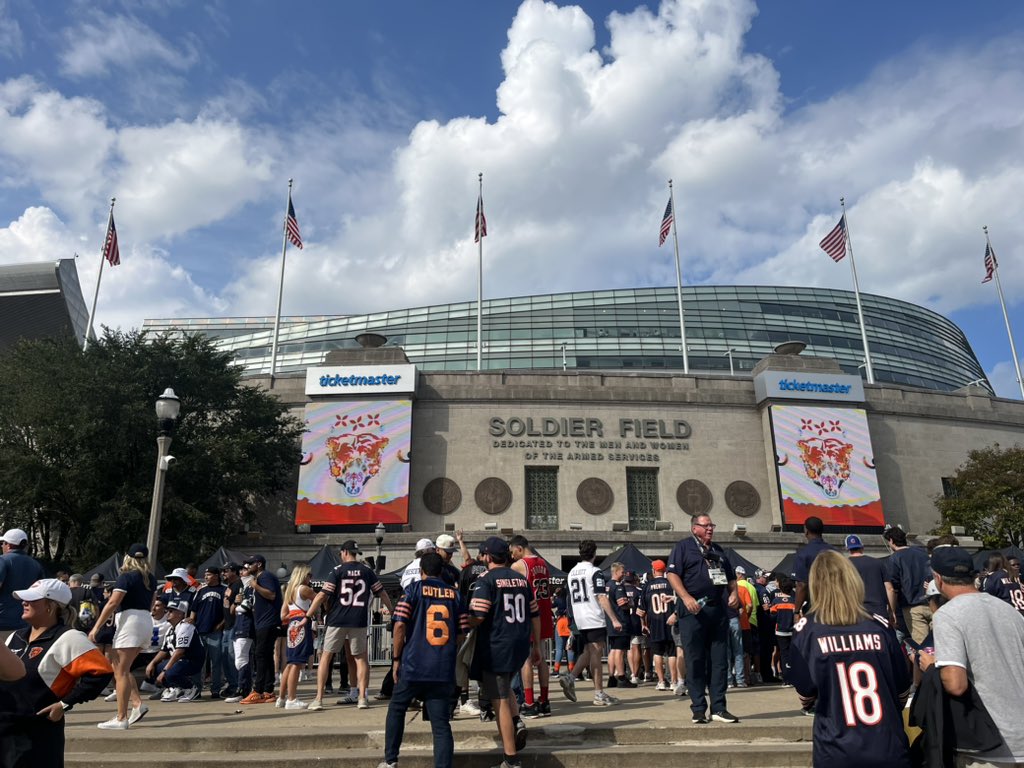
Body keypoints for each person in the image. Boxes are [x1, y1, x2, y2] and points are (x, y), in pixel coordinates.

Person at [787, 551, 912, 768]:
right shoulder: (879, 626)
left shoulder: (806, 630)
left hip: (836, 748)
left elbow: (805, 695)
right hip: (887, 745)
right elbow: (902, 691)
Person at [918, 546, 1024, 766]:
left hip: (990, 742)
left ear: (937, 578)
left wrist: (931, 667)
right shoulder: (1009, 610)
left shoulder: (948, 615)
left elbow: (956, 684)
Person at [0, 578, 113, 767]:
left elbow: (101, 672)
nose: (24, 602)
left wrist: (64, 704)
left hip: (36, 734)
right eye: (24, 598)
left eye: (32, 599)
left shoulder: (69, 637)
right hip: (6, 728)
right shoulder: (16, 636)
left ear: (50, 606)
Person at [378, 552, 467, 768]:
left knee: (397, 708)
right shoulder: (455, 595)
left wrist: (396, 659)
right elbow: (463, 631)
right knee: (441, 724)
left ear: (421, 571)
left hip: (414, 663)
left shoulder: (413, 590)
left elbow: (399, 624)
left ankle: (390, 760)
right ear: (442, 570)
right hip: (442, 667)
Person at [468, 537, 540, 768]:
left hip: (497, 644)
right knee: (506, 686)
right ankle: (517, 721)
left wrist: (461, 623)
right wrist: (537, 645)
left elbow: (478, 615)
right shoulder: (522, 579)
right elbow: (535, 614)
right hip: (520, 642)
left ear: (488, 557)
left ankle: (511, 759)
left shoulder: (486, 580)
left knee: (498, 701)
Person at [666, 514, 740, 724]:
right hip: (693, 611)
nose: (710, 529)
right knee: (695, 659)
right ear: (694, 528)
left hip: (717, 611)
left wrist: (733, 593)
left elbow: (731, 578)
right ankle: (698, 708)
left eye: (711, 525)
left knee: (719, 661)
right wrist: (686, 597)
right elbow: (672, 575)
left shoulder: (718, 550)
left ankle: (719, 708)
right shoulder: (683, 547)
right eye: (705, 525)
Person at [305, 540, 392, 710]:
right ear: (355, 553)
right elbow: (381, 592)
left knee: (326, 657)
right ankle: (361, 698)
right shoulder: (367, 571)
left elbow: (323, 595)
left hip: (337, 619)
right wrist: (392, 610)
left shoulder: (337, 571)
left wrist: (308, 615)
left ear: (344, 552)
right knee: (360, 658)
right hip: (358, 620)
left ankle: (318, 698)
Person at [89, 543, 157, 729]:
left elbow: (112, 602)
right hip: (145, 620)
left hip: (130, 620)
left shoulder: (125, 577)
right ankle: (137, 703)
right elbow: (152, 604)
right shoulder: (150, 578)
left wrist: (96, 627)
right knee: (121, 667)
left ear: (127, 557)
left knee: (120, 671)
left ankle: (121, 718)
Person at [560, 539, 621, 707]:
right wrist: (614, 619)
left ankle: (570, 677)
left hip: (580, 616)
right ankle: (598, 693)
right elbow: (601, 596)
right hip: (593, 615)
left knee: (588, 650)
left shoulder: (572, 572)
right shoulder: (595, 572)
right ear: (595, 553)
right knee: (596, 653)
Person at [509, 534, 555, 716]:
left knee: (526, 660)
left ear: (519, 548)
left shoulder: (519, 566)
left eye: (512, 551)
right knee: (542, 658)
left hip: (529, 614)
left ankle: (529, 702)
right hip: (544, 612)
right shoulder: (543, 563)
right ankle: (544, 701)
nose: (512, 556)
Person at [146, 599, 206, 703]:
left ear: (180, 614)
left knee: (169, 672)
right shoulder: (170, 629)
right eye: (167, 611)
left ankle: (191, 689)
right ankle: (175, 688)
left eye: (171, 611)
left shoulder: (186, 626)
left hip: (192, 661)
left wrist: (164, 671)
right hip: (180, 661)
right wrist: (152, 663)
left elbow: (179, 652)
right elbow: (164, 650)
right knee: (156, 668)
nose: (167, 613)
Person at [239, 554, 281, 704]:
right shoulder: (260, 577)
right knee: (265, 655)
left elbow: (271, 595)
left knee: (260, 655)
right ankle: (268, 691)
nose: (248, 567)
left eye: (250, 564)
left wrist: (255, 585)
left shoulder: (265, 576)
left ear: (259, 564)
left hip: (268, 623)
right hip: (263, 623)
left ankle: (258, 690)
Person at [883, 527, 931, 646]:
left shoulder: (893, 559)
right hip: (932, 602)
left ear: (891, 541)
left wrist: (892, 611)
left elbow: (893, 588)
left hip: (912, 607)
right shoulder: (922, 553)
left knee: (922, 647)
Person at [0, 528, 46, 642]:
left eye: (2, 543)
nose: (1, 546)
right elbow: (42, 593)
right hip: (25, 624)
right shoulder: (36, 565)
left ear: (8, 545)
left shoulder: (2, 560)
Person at [188, 566, 228, 699]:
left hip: (215, 631)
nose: (206, 577)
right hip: (200, 631)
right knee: (198, 661)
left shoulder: (223, 590)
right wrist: (192, 620)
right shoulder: (201, 590)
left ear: (216, 576)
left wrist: (221, 624)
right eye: (205, 575)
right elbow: (194, 608)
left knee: (216, 662)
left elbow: (226, 611)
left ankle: (215, 689)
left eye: (209, 574)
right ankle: (196, 689)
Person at [637, 559, 677, 691]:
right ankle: (674, 681)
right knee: (672, 653)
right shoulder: (671, 583)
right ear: (664, 570)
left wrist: (643, 624)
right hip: (670, 622)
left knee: (658, 653)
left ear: (654, 571)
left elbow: (641, 610)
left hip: (655, 623)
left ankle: (661, 681)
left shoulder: (647, 586)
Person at [280, 564, 314, 710]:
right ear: (303, 575)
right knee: (297, 663)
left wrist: (294, 615)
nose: (310, 578)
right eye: (309, 575)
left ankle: (282, 697)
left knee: (291, 662)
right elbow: (320, 598)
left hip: (292, 625)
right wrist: (306, 615)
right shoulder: (304, 589)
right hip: (301, 624)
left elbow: (282, 615)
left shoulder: (289, 591)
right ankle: (292, 698)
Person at [843, 534, 891, 620]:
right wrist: (892, 610)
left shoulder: (843, 566)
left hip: (855, 613)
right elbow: (889, 588)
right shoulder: (878, 563)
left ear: (847, 549)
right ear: (862, 547)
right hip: (879, 612)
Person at [227, 563, 256, 704]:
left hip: (246, 626)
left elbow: (246, 607)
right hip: (238, 624)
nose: (242, 572)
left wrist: (239, 605)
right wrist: (236, 603)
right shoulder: (242, 587)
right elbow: (233, 610)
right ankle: (244, 687)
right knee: (238, 659)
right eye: (242, 570)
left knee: (241, 658)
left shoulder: (252, 587)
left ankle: (242, 688)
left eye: (245, 570)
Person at [604, 562, 635, 689]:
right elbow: (623, 604)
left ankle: (612, 677)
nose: (623, 574)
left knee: (613, 650)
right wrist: (631, 604)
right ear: (616, 572)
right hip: (620, 621)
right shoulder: (618, 586)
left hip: (611, 623)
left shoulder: (607, 586)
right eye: (622, 572)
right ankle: (622, 677)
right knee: (619, 651)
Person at [793, 517, 833, 613]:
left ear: (806, 531)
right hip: (836, 604)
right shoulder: (835, 552)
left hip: (816, 607)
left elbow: (802, 585)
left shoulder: (803, 554)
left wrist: (797, 611)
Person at [770, 575, 797, 686]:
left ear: (780, 588)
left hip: (780, 631)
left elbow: (772, 616)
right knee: (793, 654)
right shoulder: (794, 601)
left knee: (784, 655)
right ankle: (793, 677)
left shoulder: (776, 601)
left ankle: (786, 679)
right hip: (792, 631)